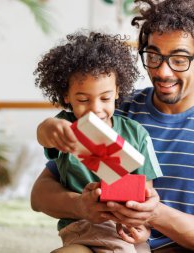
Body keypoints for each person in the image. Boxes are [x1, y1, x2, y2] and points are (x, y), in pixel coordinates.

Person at [31, 0, 194, 252]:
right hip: (106, 242)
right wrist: (80, 206)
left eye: (179, 59)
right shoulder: (111, 107)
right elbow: (40, 194)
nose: (163, 71)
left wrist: (151, 212)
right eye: (153, 56)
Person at [33, 31, 163, 253]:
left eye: (105, 98)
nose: (95, 109)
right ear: (66, 95)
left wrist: (140, 224)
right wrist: (50, 128)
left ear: (117, 92)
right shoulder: (66, 126)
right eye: (83, 99)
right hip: (79, 230)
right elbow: (44, 134)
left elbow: (145, 193)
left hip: (122, 230)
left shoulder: (136, 134)